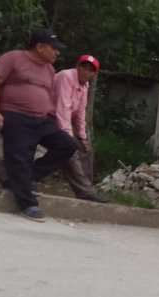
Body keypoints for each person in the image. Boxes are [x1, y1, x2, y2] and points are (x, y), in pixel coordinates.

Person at [0, 28, 77, 222]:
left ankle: (24, 179)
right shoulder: (13, 58)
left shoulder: (50, 70)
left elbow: (47, 95)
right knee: (19, 158)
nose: (57, 53)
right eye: (54, 48)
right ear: (40, 47)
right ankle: (27, 204)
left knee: (68, 145)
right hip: (16, 116)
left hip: (41, 120)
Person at [50, 55, 108, 203]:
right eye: (83, 67)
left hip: (61, 121)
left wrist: (82, 137)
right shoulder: (66, 77)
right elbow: (63, 108)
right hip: (48, 117)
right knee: (71, 150)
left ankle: (88, 187)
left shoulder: (85, 85)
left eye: (90, 71)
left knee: (86, 149)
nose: (85, 72)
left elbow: (80, 111)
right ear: (77, 66)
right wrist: (70, 138)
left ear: (94, 74)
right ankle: (84, 191)